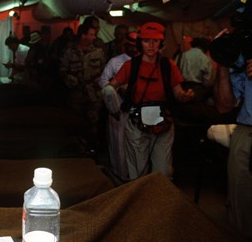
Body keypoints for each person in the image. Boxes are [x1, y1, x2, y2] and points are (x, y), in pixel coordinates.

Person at [103, 22, 194, 180]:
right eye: (146, 41)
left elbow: (178, 93)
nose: (151, 45)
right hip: (137, 124)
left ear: (162, 43)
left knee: (163, 173)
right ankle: (140, 203)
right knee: (138, 173)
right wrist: (112, 97)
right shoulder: (131, 66)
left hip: (162, 123)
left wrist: (185, 96)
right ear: (140, 43)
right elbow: (111, 87)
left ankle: (158, 203)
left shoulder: (168, 65)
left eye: (155, 41)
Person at [213, 28, 252, 239]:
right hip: (246, 133)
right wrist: (223, 64)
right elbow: (224, 106)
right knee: (240, 201)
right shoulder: (245, 56)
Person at [59, 23, 106, 154]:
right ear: (83, 35)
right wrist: (70, 80)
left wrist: (99, 81)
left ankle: (93, 151)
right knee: (76, 122)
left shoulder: (99, 52)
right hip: (76, 94)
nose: (94, 37)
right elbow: (62, 70)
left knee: (93, 124)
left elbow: (104, 70)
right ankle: (77, 150)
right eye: (91, 34)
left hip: (94, 95)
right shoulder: (69, 52)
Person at [99, 31, 138, 181]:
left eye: (136, 46)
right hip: (118, 109)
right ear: (124, 45)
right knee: (118, 142)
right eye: (130, 46)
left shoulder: (144, 61)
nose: (133, 49)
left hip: (136, 109)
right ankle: (119, 174)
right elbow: (103, 81)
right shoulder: (115, 62)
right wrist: (116, 89)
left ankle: (134, 175)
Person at [176, 36, 215, 103]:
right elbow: (208, 82)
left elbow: (173, 74)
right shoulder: (206, 59)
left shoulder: (180, 56)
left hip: (180, 90)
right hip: (198, 92)